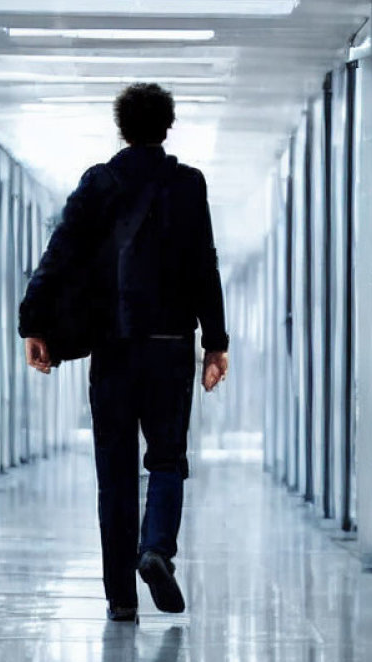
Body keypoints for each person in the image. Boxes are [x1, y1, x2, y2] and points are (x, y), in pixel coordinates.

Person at [18, 83, 229, 623]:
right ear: (168, 126)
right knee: (166, 458)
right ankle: (156, 548)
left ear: (122, 127)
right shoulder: (188, 185)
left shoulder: (100, 183)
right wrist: (216, 342)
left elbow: (60, 251)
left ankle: (120, 599)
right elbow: (205, 263)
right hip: (171, 347)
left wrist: (33, 322)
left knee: (114, 472)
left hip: (112, 346)